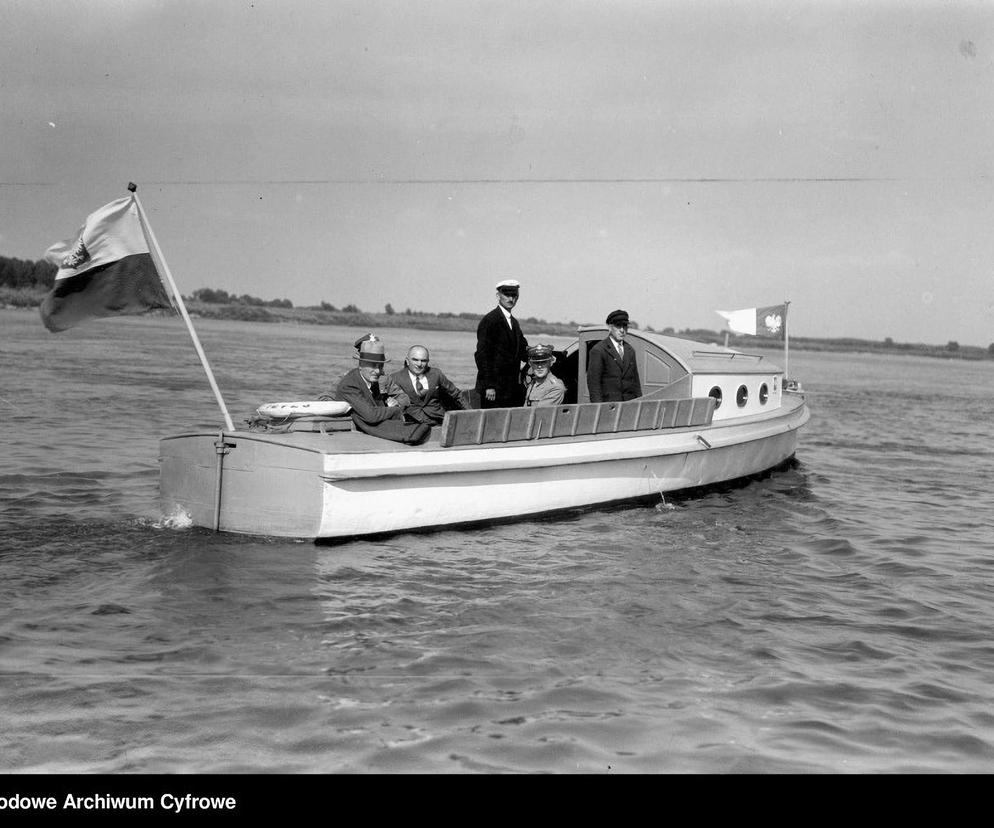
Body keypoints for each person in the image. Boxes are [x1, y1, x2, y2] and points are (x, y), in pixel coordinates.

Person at [329, 335, 431, 445]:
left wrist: (396, 404)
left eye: (380, 366)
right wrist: (395, 409)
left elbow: (401, 399)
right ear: (361, 364)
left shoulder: (373, 380)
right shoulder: (350, 383)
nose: (377, 371)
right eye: (372, 366)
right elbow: (371, 415)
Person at [474, 279, 529, 408]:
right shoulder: (490, 321)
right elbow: (482, 355)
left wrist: (541, 356)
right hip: (493, 391)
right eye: (507, 295)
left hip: (510, 388)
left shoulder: (514, 323)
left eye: (514, 295)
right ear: (498, 296)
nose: (511, 299)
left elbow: (522, 350)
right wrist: (489, 386)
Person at [389, 344, 469, 426]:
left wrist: (472, 414)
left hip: (438, 420)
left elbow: (456, 394)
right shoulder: (395, 378)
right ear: (407, 360)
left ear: (428, 362)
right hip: (412, 422)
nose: (419, 364)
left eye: (423, 361)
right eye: (415, 360)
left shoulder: (436, 374)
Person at [586, 309, 642, 402]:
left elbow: (636, 384)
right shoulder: (598, 350)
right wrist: (599, 410)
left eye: (624, 326)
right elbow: (594, 385)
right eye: (618, 326)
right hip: (608, 407)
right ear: (609, 327)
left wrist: (639, 405)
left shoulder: (630, 350)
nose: (622, 330)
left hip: (628, 407)